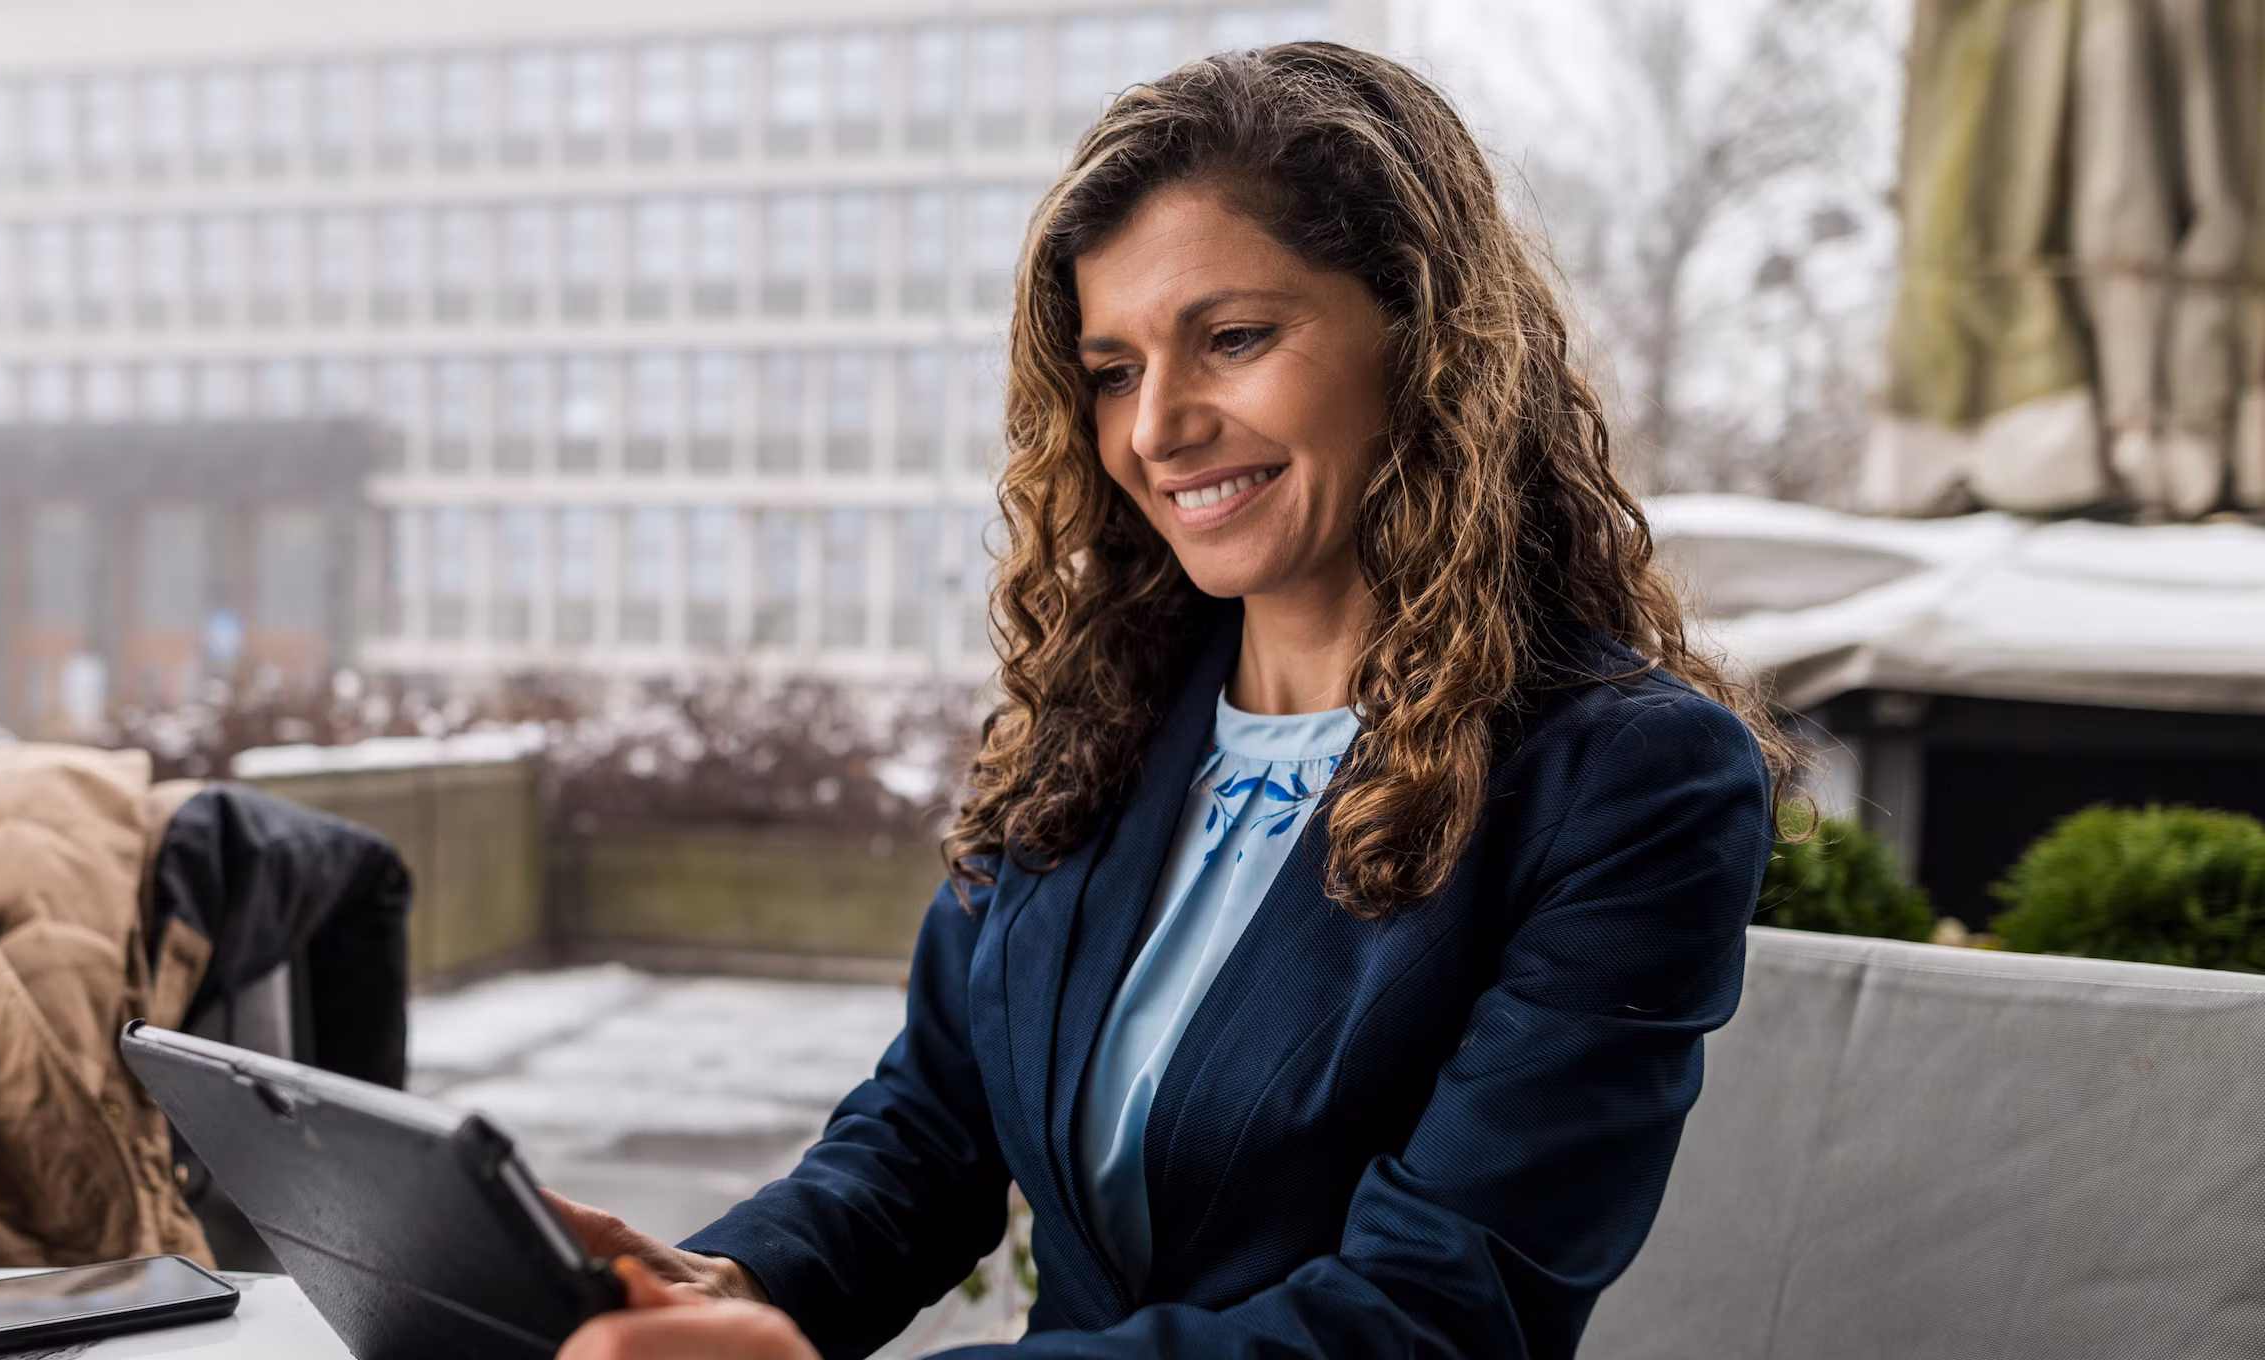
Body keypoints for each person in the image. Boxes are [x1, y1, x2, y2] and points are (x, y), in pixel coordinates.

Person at [550, 41, 1788, 1360]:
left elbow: (1438, 1312)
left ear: (1426, 343)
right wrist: (733, 1286)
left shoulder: (1632, 782)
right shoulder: (1099, 717)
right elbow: (930, 1129)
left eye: (1235, 339)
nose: (1156, 429)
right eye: (1114, 369)